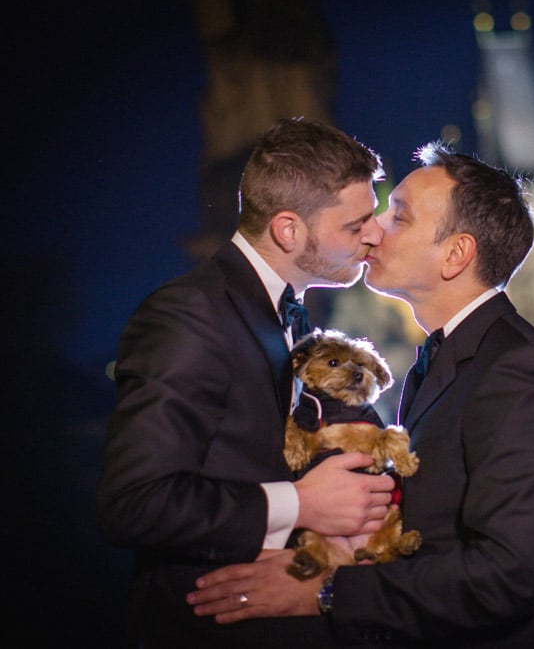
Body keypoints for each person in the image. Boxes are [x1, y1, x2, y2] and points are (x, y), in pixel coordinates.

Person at [187, 142, 534, 647]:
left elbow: (505, 577)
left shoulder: (519, 371)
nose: (374, 228)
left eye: (398, 217)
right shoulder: (454, 358)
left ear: (456, 254)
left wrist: (327, 592)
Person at [96, 118, 397, 648]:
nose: (375, 233)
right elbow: (134, 503)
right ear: (288, 230)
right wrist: (299, 505)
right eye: (355, 224)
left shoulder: (286, 316)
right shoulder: (190, 314)